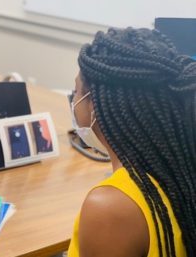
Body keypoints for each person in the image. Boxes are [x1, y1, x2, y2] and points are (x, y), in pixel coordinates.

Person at [68, 27, 196, 257]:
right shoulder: (181, 171)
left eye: (76, 92)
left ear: (94, 105)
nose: (73, 100)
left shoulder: (109, 207)